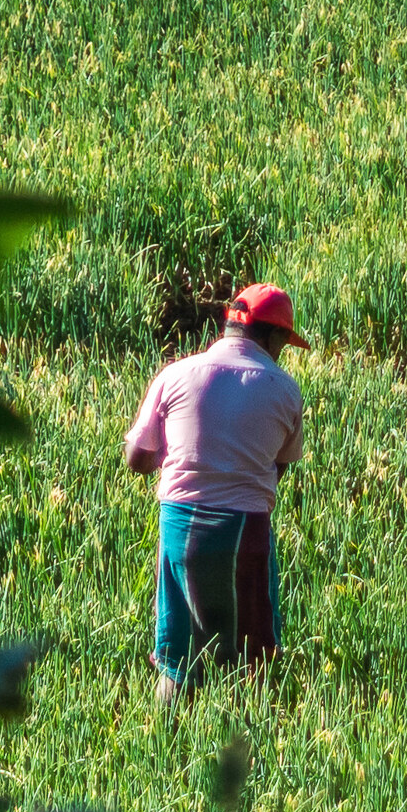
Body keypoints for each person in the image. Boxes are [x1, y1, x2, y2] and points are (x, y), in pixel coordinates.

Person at [126, 283, 304, 693]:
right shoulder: (284, 388)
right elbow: (278, 467)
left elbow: (137, 458)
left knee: (177, 656)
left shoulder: (175, 374)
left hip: (180, 528)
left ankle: (165, 746)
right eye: (283, 342)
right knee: (253, 658)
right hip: (246, 533)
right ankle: (249, 743)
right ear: (272, 336)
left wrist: (171, 457)